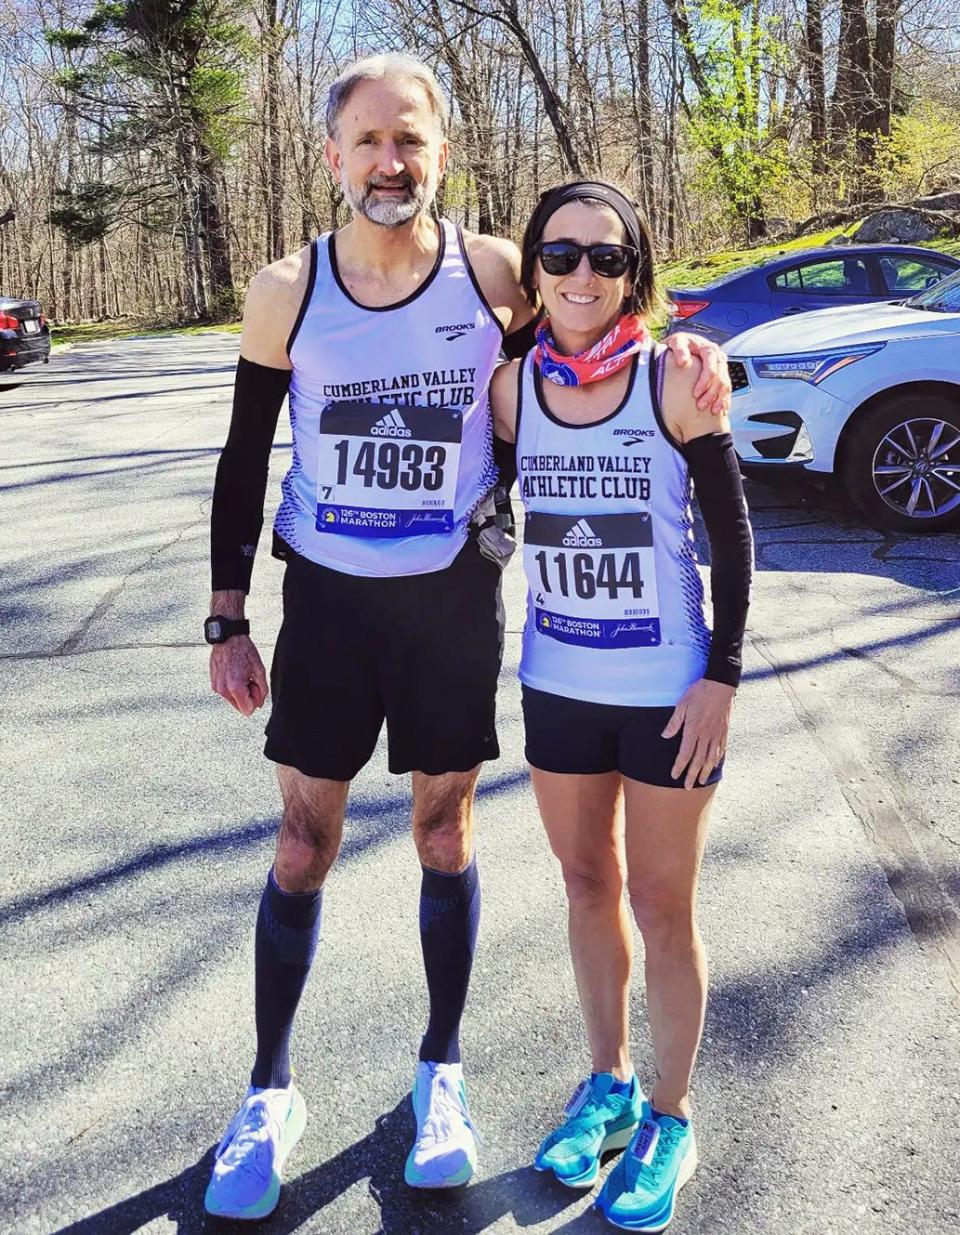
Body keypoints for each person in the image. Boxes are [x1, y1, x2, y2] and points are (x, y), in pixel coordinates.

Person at [203, 53, 732, 1221]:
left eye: (412, 140)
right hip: (329, 606)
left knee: (446, 832)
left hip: (449, 605)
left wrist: (687, 347)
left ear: (443, 153)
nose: (390, 162)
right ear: (331, 154)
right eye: (368, 141)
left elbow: (597, 322)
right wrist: (228, 615)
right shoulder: (286, 287)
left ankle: (442, 1074)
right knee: (302, 841)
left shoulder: (497, 270)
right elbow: (245, 458)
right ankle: (268, 1090)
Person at [489, 181, 753, 1231]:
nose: (583, 275)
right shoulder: (510, 389)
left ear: (635, 272)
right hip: (557, 681)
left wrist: (722, 675)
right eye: (560, 256)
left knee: (661, 903)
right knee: (586, 880)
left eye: (606, 257)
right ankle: (606, 1082)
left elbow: (730, 536)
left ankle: (671, 1115)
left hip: (667, 691)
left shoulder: (676, 379)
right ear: (535, 270)